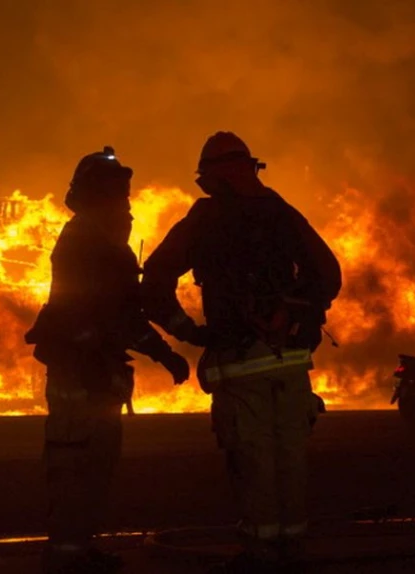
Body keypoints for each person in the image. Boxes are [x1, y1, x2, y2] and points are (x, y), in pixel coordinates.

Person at [141, 132, 341, 573]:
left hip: (238, 363)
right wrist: (296, 314)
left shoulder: (207, 219)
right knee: (289, 454)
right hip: (291, 363)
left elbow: (154, 283)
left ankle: (260, 552)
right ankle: (291, 547)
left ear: (218, 174)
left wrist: (190, 333)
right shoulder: (283, 214)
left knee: (253, 459)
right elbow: (328, 275)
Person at [25, 146, 190, 574]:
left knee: (94, 467)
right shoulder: (90, 243)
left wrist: (165, 346)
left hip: (94, 373)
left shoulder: (97, 241)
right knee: (74, 468)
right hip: (79, 373)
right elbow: (120, 315)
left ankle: (79, 548)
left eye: (127, 194)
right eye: (120, 194)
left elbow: (125, 313)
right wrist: (166, 351)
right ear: (99, 195)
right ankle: (65, 556)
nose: (128, 204)